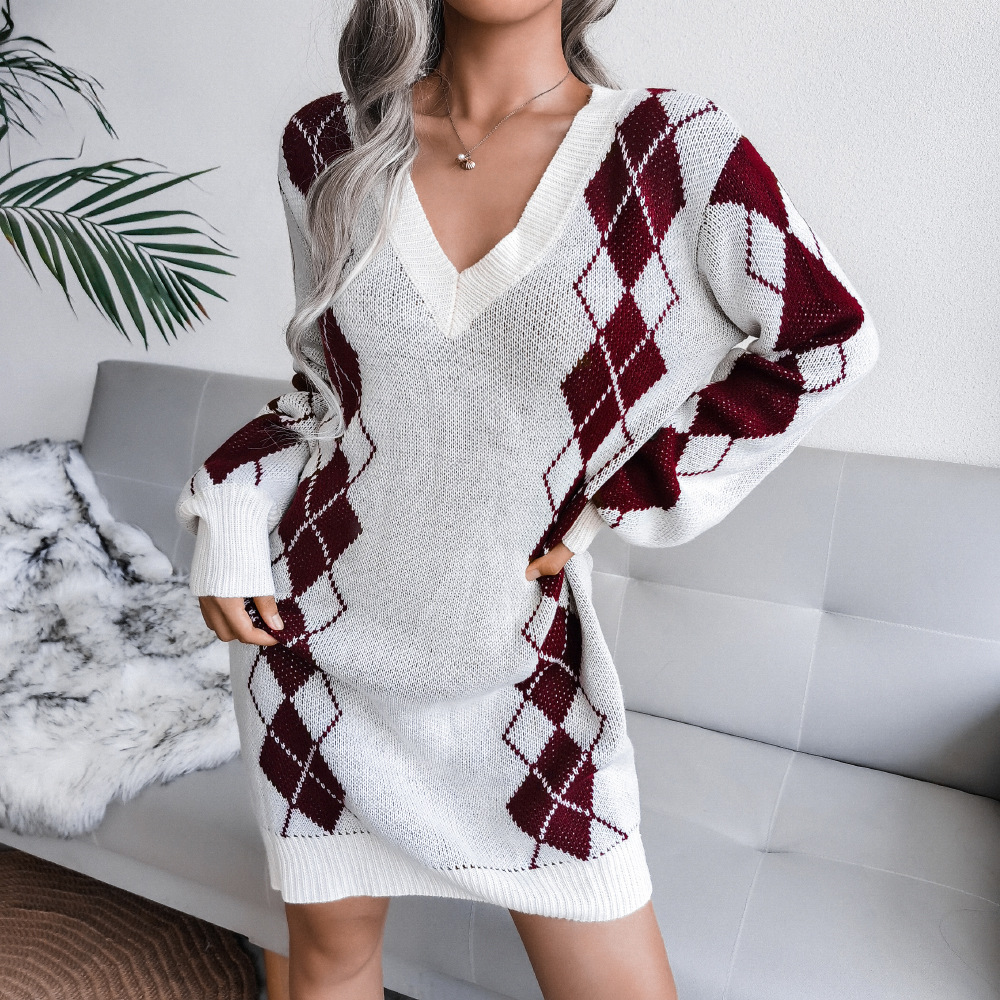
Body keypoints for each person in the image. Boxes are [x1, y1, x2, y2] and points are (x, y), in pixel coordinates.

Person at [176, 1, 879, 997]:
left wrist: (630, 489)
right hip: (313, 654)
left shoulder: (668, 153)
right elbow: (325, 394)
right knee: (329, 960)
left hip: (520, 673)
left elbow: (827, 340)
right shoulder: (328, 147)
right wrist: (231, 510)